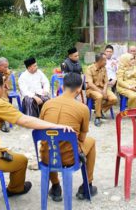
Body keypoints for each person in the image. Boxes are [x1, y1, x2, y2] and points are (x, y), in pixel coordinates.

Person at [0, 72, 73, 207]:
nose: (6, 88)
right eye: (4, 86)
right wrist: (56, 126)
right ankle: (15, 189)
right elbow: (25, 121)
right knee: (21, 161)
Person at [40, 73, 97, 202]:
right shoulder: (83, 108)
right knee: (91, 142)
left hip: (46, 157)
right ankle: (87, 185)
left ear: (63, 86)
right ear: (78, 89)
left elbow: (40, 128)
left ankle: (55, 187)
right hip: (69, 158)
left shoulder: (47, 104)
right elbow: (82, 139)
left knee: (51, 143)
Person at [86, 53, 117, 127]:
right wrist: (100, 92)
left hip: (102, 88)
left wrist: (105, 91)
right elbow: (90, 84)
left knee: (114, 99)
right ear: (99, 61)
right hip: (91, 89)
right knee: (99, 96)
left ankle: (99, 110)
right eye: (104, 60)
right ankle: (98, 117)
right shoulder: (89, 69)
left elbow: (106, 82)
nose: (106, 62)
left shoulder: (104, 68)